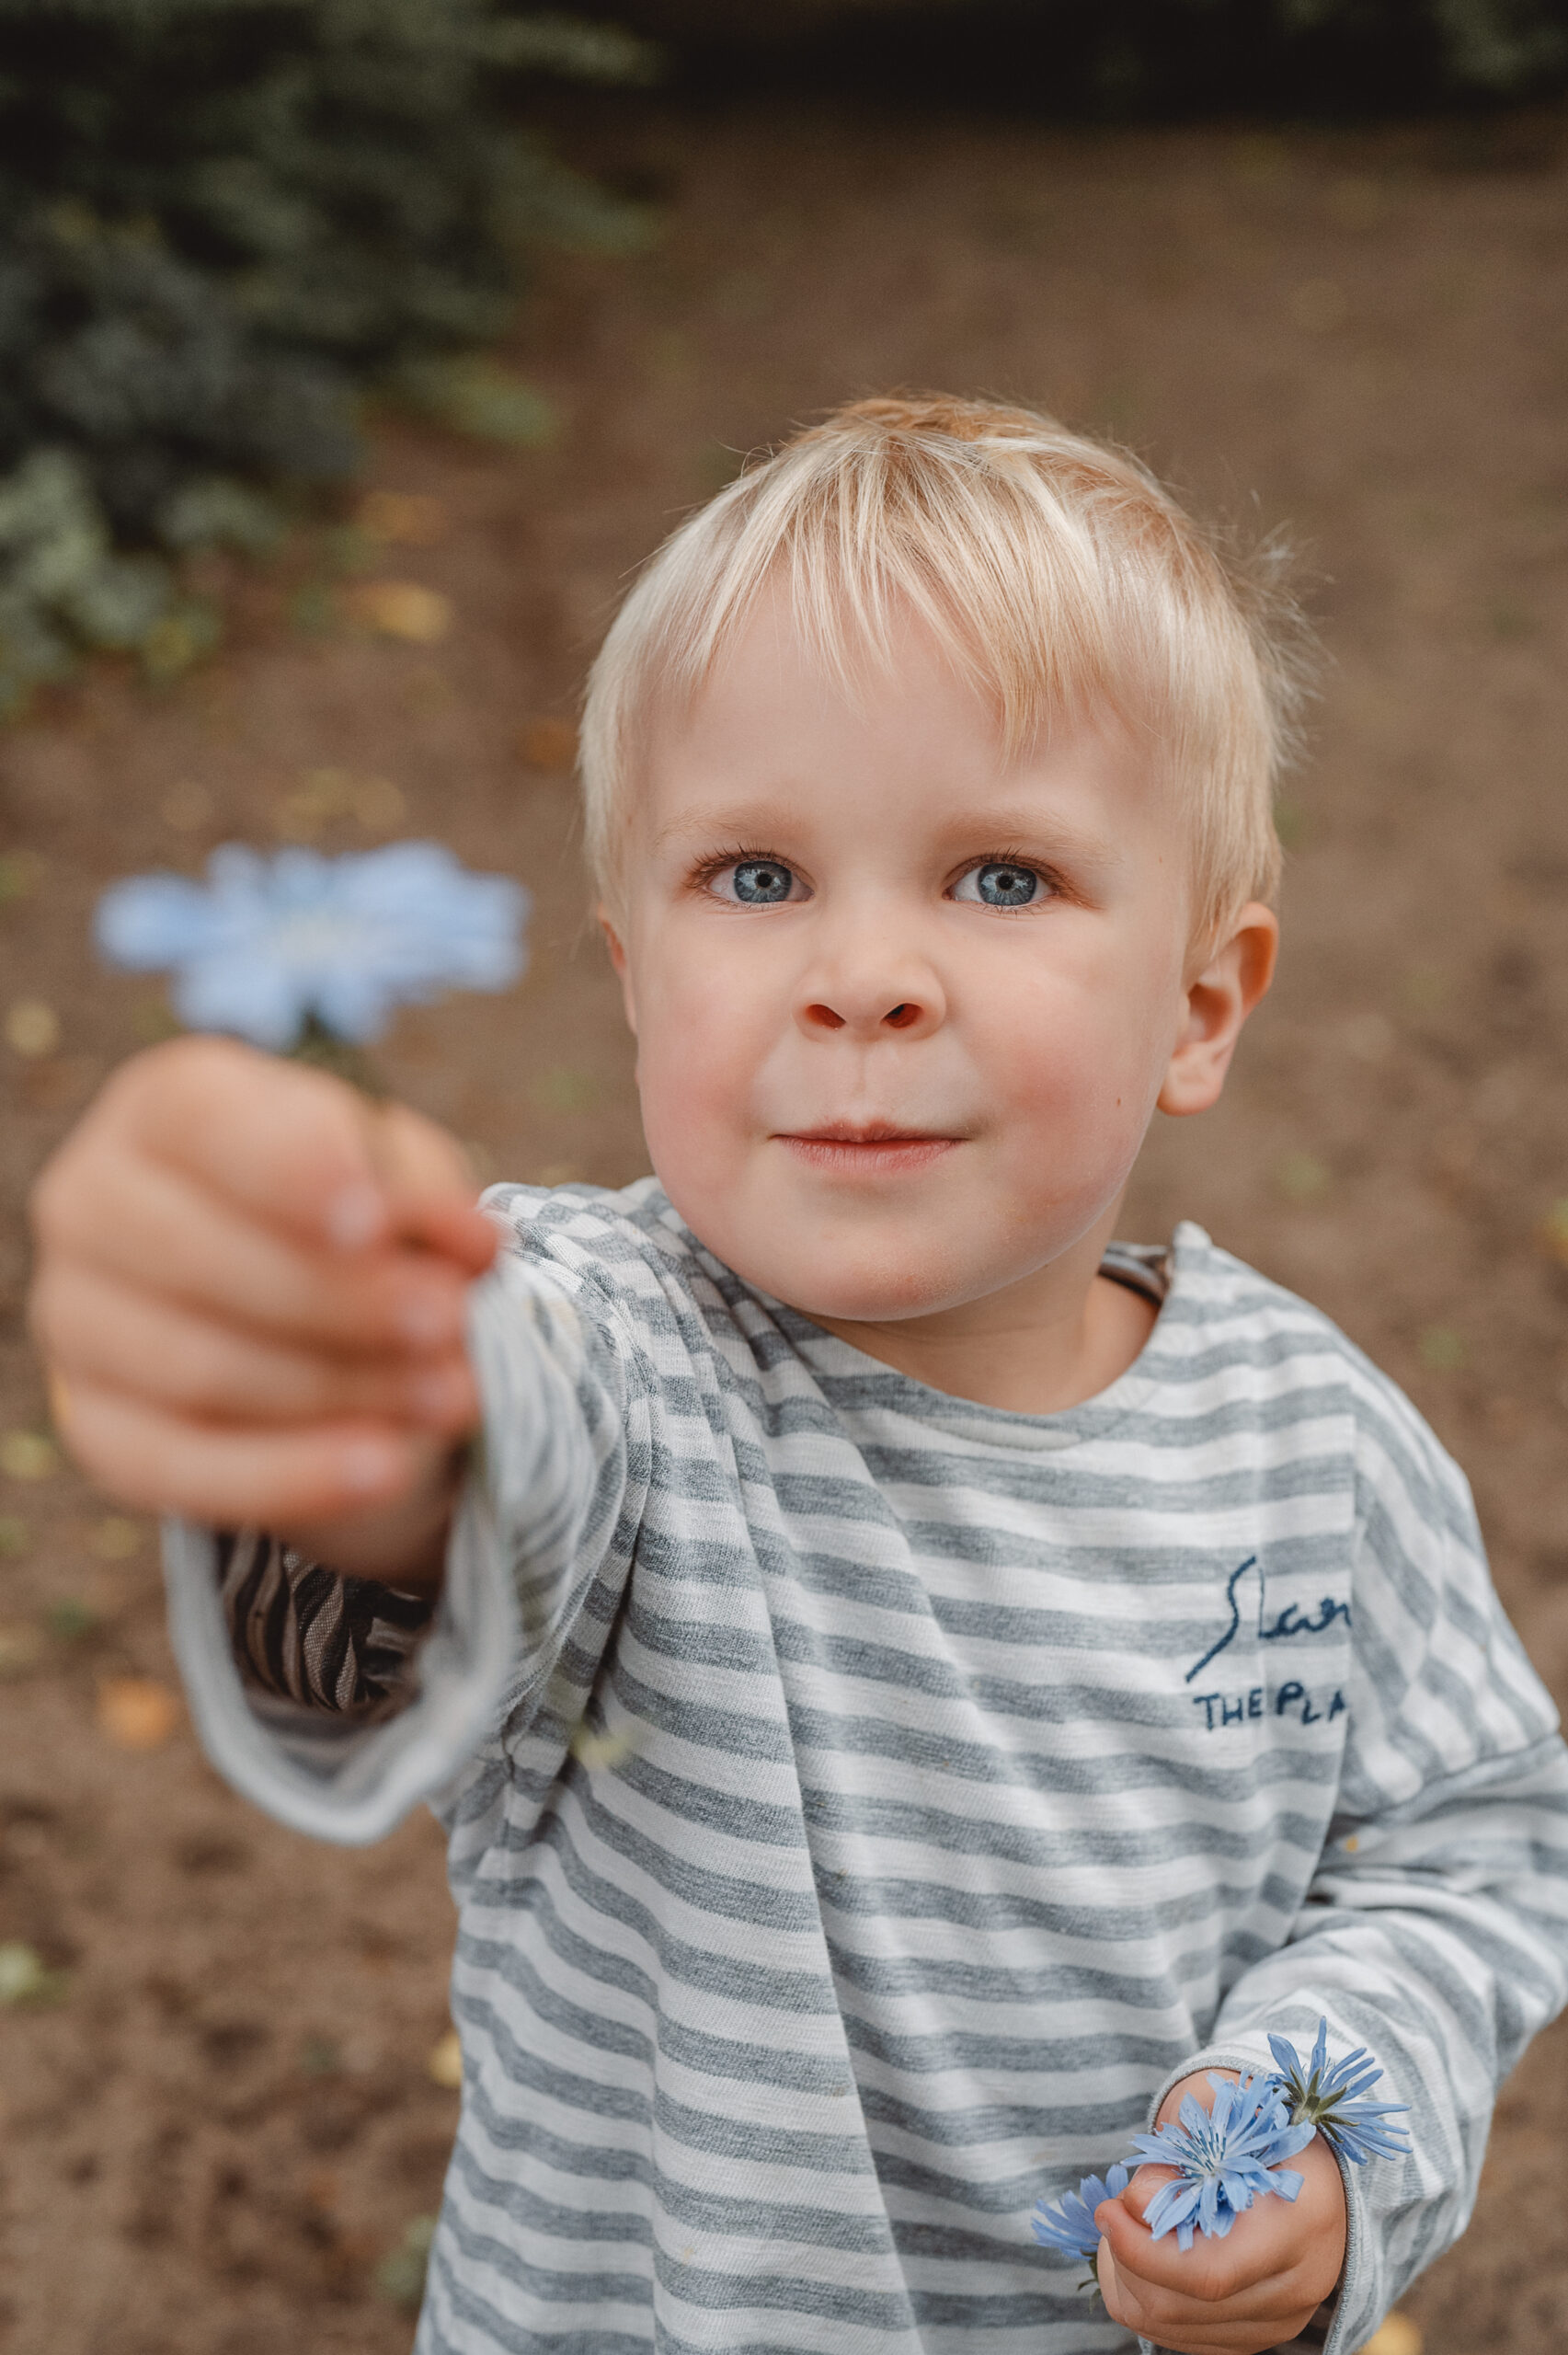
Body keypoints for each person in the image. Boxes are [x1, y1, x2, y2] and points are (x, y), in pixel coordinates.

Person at [29, 396, 1568, 2355]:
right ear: (633, 974)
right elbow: (477, 1443)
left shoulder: (1315, 1440)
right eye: (753, 878)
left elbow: (1471, 1841)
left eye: (999, 877)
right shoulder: (626, 1358)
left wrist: (1329, 2113)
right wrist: (344, 1372)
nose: (861, 970)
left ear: (1199, 1002)